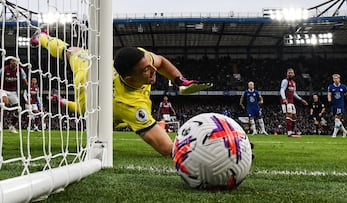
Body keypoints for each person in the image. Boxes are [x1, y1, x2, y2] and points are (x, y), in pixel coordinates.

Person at [31, 29, 212, 157]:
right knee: (83, 109)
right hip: (88, 91)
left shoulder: (142, 59)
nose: (153, 70)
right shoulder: (130, 106)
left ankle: (42, 37)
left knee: (72, 51)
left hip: (93, 67)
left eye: (149, 66)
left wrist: (179, 81)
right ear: (130, 79)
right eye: (146, 71)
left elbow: (161, 62)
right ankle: (60, 97)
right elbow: (167, 149)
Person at [0, 58, 29, 133]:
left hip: (13, 92)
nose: (15, 63)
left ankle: (12, 126)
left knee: (19, 109)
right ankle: (2, 123)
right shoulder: (4, 69)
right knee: (5, 102)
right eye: (13, 61)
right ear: (10, 61)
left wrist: (28, 86)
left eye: (16, 62)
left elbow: (24, 79)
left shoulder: (20, 70)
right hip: (3, 90)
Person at [280, 68, 308, 138]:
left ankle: (291, 132)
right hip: (286, 101)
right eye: (289, 72)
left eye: (291, 73)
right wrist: (284, 98)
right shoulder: (285, 81)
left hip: (291, 101)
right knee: (289, 115)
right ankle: (289, 133)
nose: (290, 74)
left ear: (294, 74)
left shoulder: (293, 83)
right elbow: (282, 90)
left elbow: (294, 93)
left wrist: (301, 99)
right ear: (287, 74)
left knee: (294, 117)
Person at [327, 73, 347, 138]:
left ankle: (334, 134)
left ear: (339, 79)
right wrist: (329, 101)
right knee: (337, 120)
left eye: (337, 78)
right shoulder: (331, 87)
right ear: (333, 79)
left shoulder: (343, 87)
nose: (336, 80)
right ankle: (344, 131)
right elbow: (329, 94)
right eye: (334, 78)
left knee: (337, 119)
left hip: (340, 104)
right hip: (334, 105)